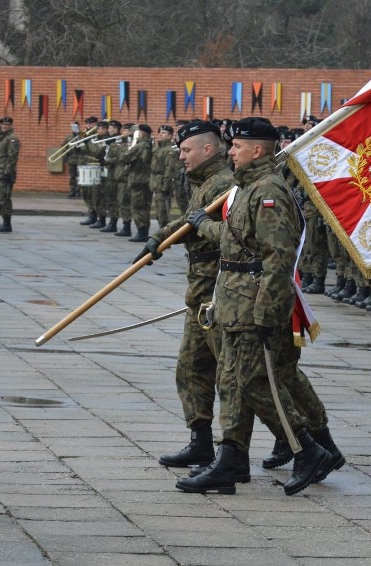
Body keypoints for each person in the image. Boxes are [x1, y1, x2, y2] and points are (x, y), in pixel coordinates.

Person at [178, 117, 336, 496]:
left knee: (252, 384)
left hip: (252, 304)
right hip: (233, 302)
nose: (230, 151)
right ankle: (231, 459)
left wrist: (267, 311)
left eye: (237, 146)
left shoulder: (269, 192)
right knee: (231, 383)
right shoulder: (247, 188)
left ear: (259, 150)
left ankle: (307, 448)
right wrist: (202, 224)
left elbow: (277, 258)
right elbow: (234, 242)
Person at [134, 120, 234, 472]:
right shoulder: (206, 182)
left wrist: (168, 236)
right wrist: (158, 238)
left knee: (235, 376)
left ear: (207, 150)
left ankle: (300, 441)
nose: (180, 156)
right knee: (191, 367)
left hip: (219, 291)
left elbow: (224, 232)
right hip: (200, 291)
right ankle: (201, 442)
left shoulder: (223, 183)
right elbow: (188, 222)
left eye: (186, 150)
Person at [120, 124, 154, 242]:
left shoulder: (140, 145)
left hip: (138, 179)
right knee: (144, 206)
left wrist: (126, 150)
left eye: (138, 132)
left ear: (143, 133)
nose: (137, 133)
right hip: (146, 180)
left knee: (138, 207)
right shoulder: (150, 144)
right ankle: (143, 231)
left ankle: (142, 232)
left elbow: (125, 158)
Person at [0, 116, 19, 233]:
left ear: (11, 125)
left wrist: (8, 171)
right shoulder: (0, 138)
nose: (5, 126)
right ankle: (3, 222)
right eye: (3, 124)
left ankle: (7, 224)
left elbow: (12, 157)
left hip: (5, 173)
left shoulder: (12, 139)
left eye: (7, 124)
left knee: (5, 199)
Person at [150, 125, 182, 228]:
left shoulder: (169, 150)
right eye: (160, 132)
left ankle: (166, 238)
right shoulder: (159, 148)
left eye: (164, 133)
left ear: (170, 136)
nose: (160, 134)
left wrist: (166, 186)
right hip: (156, 182)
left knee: (163, 212)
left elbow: (169, 169)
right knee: (158, 212)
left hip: (162, 183)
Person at [99, 120, 124, 234]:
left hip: (115, 173)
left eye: (111, 128)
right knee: (108, 198)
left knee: (114, 199)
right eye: (109, 128)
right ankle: (110, 221)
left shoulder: (119, 140)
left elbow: (120, 157)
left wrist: (108, 160)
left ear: (117, 129)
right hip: (108, 173)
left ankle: (113, 222)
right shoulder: (108, 140)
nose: (109, 130)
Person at [63, 121, 85, 201]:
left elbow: (84, 148)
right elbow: (63, 147)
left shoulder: (82, 136)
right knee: (72, 176)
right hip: (71, 159)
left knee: (79, 176)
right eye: (73, 127)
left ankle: (78, 191)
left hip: (80, 159)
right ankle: (72, 190)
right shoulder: (69, 137)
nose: (74, 129)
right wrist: (66, 155)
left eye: (76, 127)